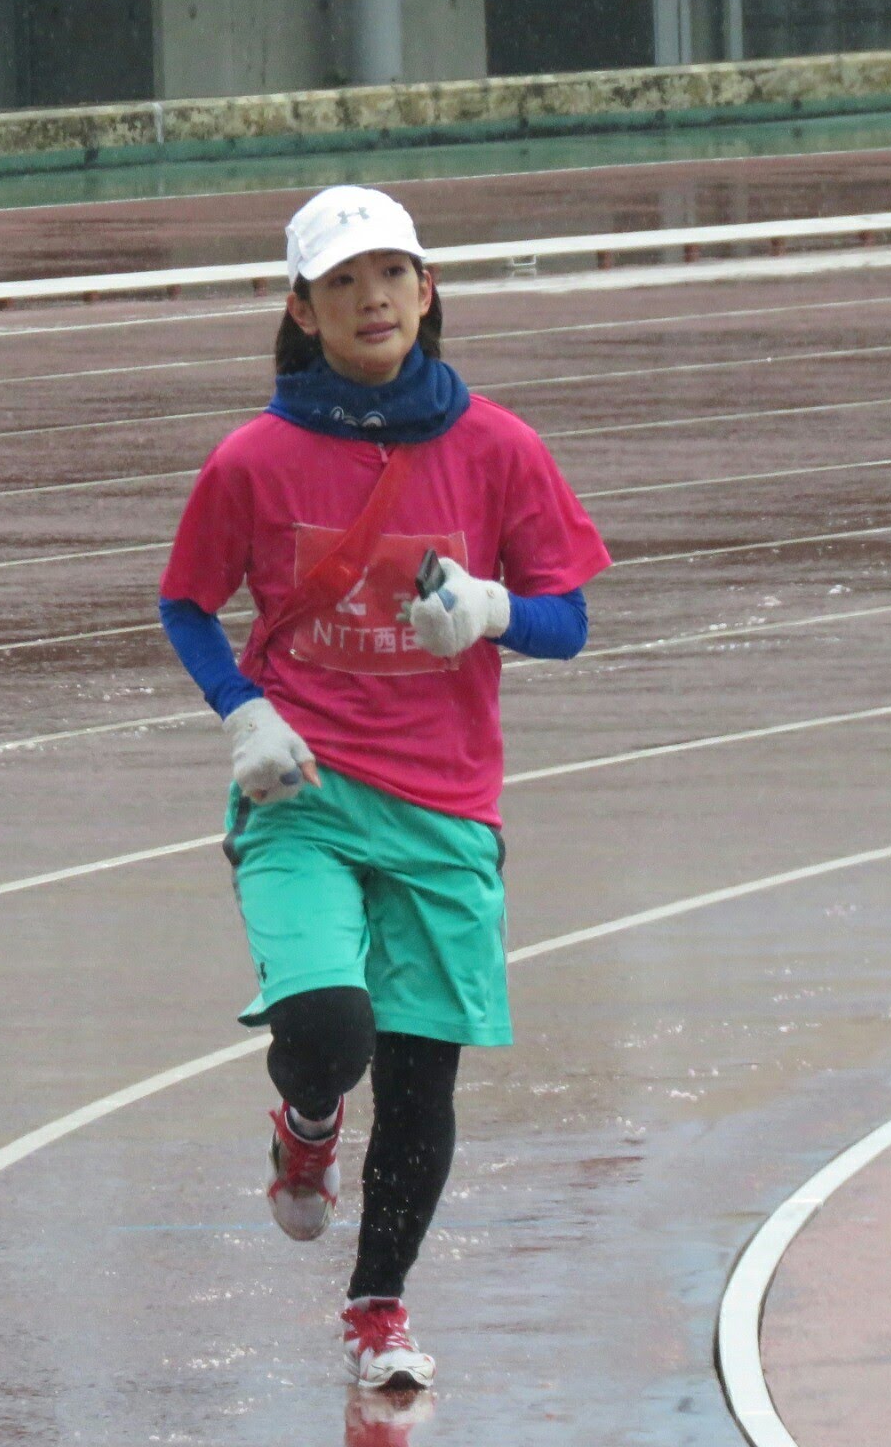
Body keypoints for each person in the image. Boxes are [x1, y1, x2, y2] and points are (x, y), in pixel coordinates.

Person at [158, 186, 611, 1389]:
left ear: (426, 289)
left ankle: (376, 1309)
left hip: (446, 809)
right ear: (301, 310)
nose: (372, 300)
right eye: (342, 282)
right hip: (301, 794)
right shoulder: (252, 459)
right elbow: (185, 603)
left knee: (419, 1079)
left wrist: (495, 610)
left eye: (391, 275)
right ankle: (305, 1127)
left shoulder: (498, 447)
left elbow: (568, 618)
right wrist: (242, 711)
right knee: (325, 1029)